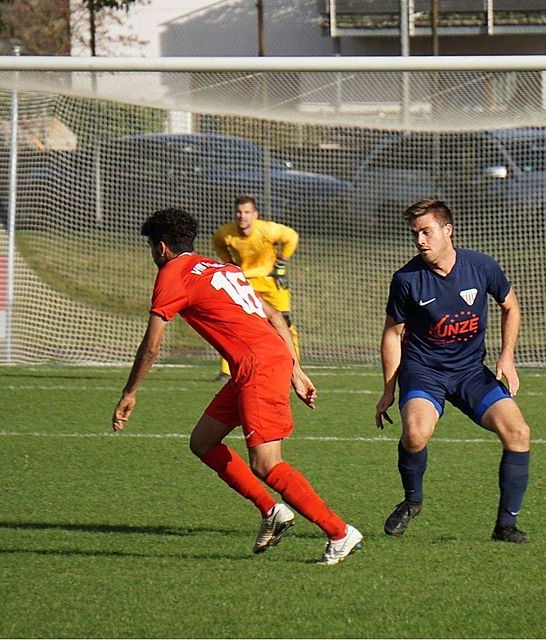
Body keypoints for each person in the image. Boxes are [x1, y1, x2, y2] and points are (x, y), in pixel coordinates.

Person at [112, 207, 362, 565]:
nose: (154, 255)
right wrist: (295, 370)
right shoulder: (222, 267)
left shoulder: (172, 273)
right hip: (259, 363)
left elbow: (152, 345)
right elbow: (274, 316)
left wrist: (129, 392)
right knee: (202, 441)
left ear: (162, 247)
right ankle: (271, 511)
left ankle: (339, 532)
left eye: (152, 248)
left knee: (266, 464)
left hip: (257, 366)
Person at [374, 199, 532, 544]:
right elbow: (392, 333)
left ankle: (505, 526)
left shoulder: (481, 266)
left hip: (470, 372)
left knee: (518, 433)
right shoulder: (406, 279)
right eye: (415, 234)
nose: (420, 240)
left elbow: (511, 306)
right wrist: (388, 389)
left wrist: (507, 357)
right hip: (424, 371)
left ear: (447, 230)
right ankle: (412, 501)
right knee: (415, 434)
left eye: (426, 232)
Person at [212, 196, 300, 381]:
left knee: (285, 322)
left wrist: (281, 262)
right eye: (239, 212)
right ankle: (227, 371)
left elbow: (292, 237)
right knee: (233, 323)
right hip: (245, 281)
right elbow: (218, 244)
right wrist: (229, 265)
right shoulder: (225, 233)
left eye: (246, 212)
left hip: (271, 280)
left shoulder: (267, 229)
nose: (242, 216)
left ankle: (294, 366)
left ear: (255, 215)